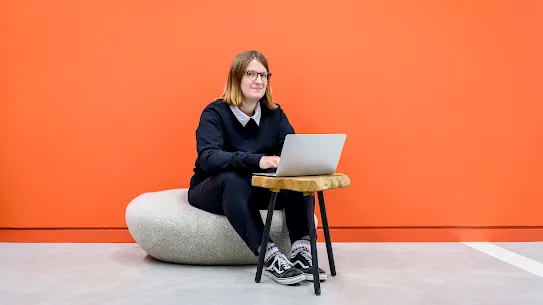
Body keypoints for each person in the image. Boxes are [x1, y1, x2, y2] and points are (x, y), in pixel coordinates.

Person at [187, 50, 326, 285]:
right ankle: (269, 256)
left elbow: (289, 150)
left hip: (255, 188)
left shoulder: (274, 114)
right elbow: (209, 158)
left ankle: (302, 253)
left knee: (293, 174)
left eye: (264, 75)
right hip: (214, 189)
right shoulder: (214, 113)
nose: (259, 80)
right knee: (232, 178)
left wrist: (301, 161)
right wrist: (257, 160)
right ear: (236, 78)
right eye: (251, 74)